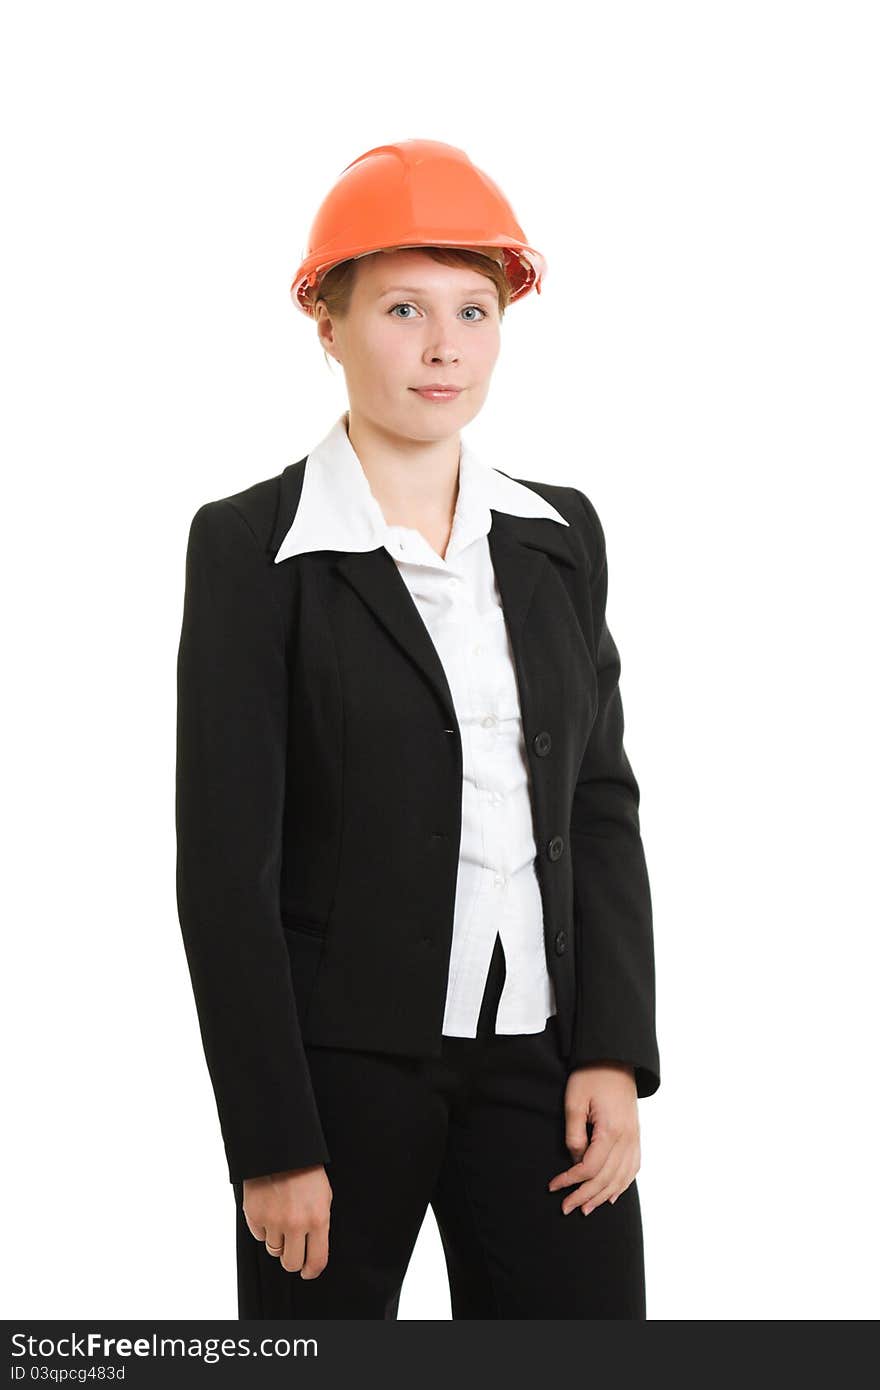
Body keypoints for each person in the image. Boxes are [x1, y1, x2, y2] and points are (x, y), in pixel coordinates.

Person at [175, 139, 661, 1320]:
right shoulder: (253, 550)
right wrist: (271, 1139)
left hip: (542, 1067)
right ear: (327, 323)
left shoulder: (559, 535)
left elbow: (597, 801)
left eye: (473, 310)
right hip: (338, 1078)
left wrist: (610, 1048)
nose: (444, 347)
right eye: (402, 308)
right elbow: (224, 870)